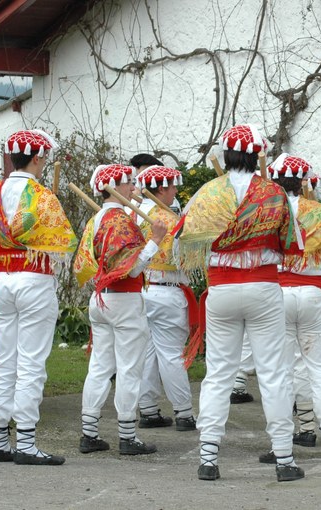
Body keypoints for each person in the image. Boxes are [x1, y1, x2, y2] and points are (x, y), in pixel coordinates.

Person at [177, 124, 305, 482]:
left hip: (220, 290)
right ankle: (284, 459)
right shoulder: (273, 193)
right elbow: (292, 241)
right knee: (273, 373)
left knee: (219, 374)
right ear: (256, 155)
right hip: (263, 285)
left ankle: (207, 458)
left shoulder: (207, 193)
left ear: (226, 155)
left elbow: (182, 241)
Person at [0, 130, 78, 465]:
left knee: (3, 360)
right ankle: (25, 443)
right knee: (31, 361)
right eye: (45, 158)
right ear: (37, 158)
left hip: (2, 279)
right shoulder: (42, 196)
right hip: (34, 279)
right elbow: (63, 243)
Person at [258, 154, 321, 467]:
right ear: (302, 181)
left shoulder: (266, 210)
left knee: (281, 373)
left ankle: (282, 445)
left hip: (276, 293)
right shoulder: (317, 212)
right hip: (312, 292)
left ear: (273, 179)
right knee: (320, 369)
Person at [73, 163, 167, 456]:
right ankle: (127, 435)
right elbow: (132, 266)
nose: (133, 188)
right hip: (124, 301)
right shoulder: (119, 222)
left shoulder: (96, 220)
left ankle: (89, 433)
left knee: (100, 367)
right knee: (129, 369)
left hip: (101, 300)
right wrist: (155, 241)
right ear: (116, 186)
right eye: (129, 183)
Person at [133, 164, 198, 432]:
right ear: (161, 188)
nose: (175, 191)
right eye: (172, 187)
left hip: (142, 290)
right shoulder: (172, 220)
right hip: (168, 291)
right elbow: (187, 261)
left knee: (148, 353)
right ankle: (184, 412)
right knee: (171, 354)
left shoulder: (134, 216)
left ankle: (148, 409)